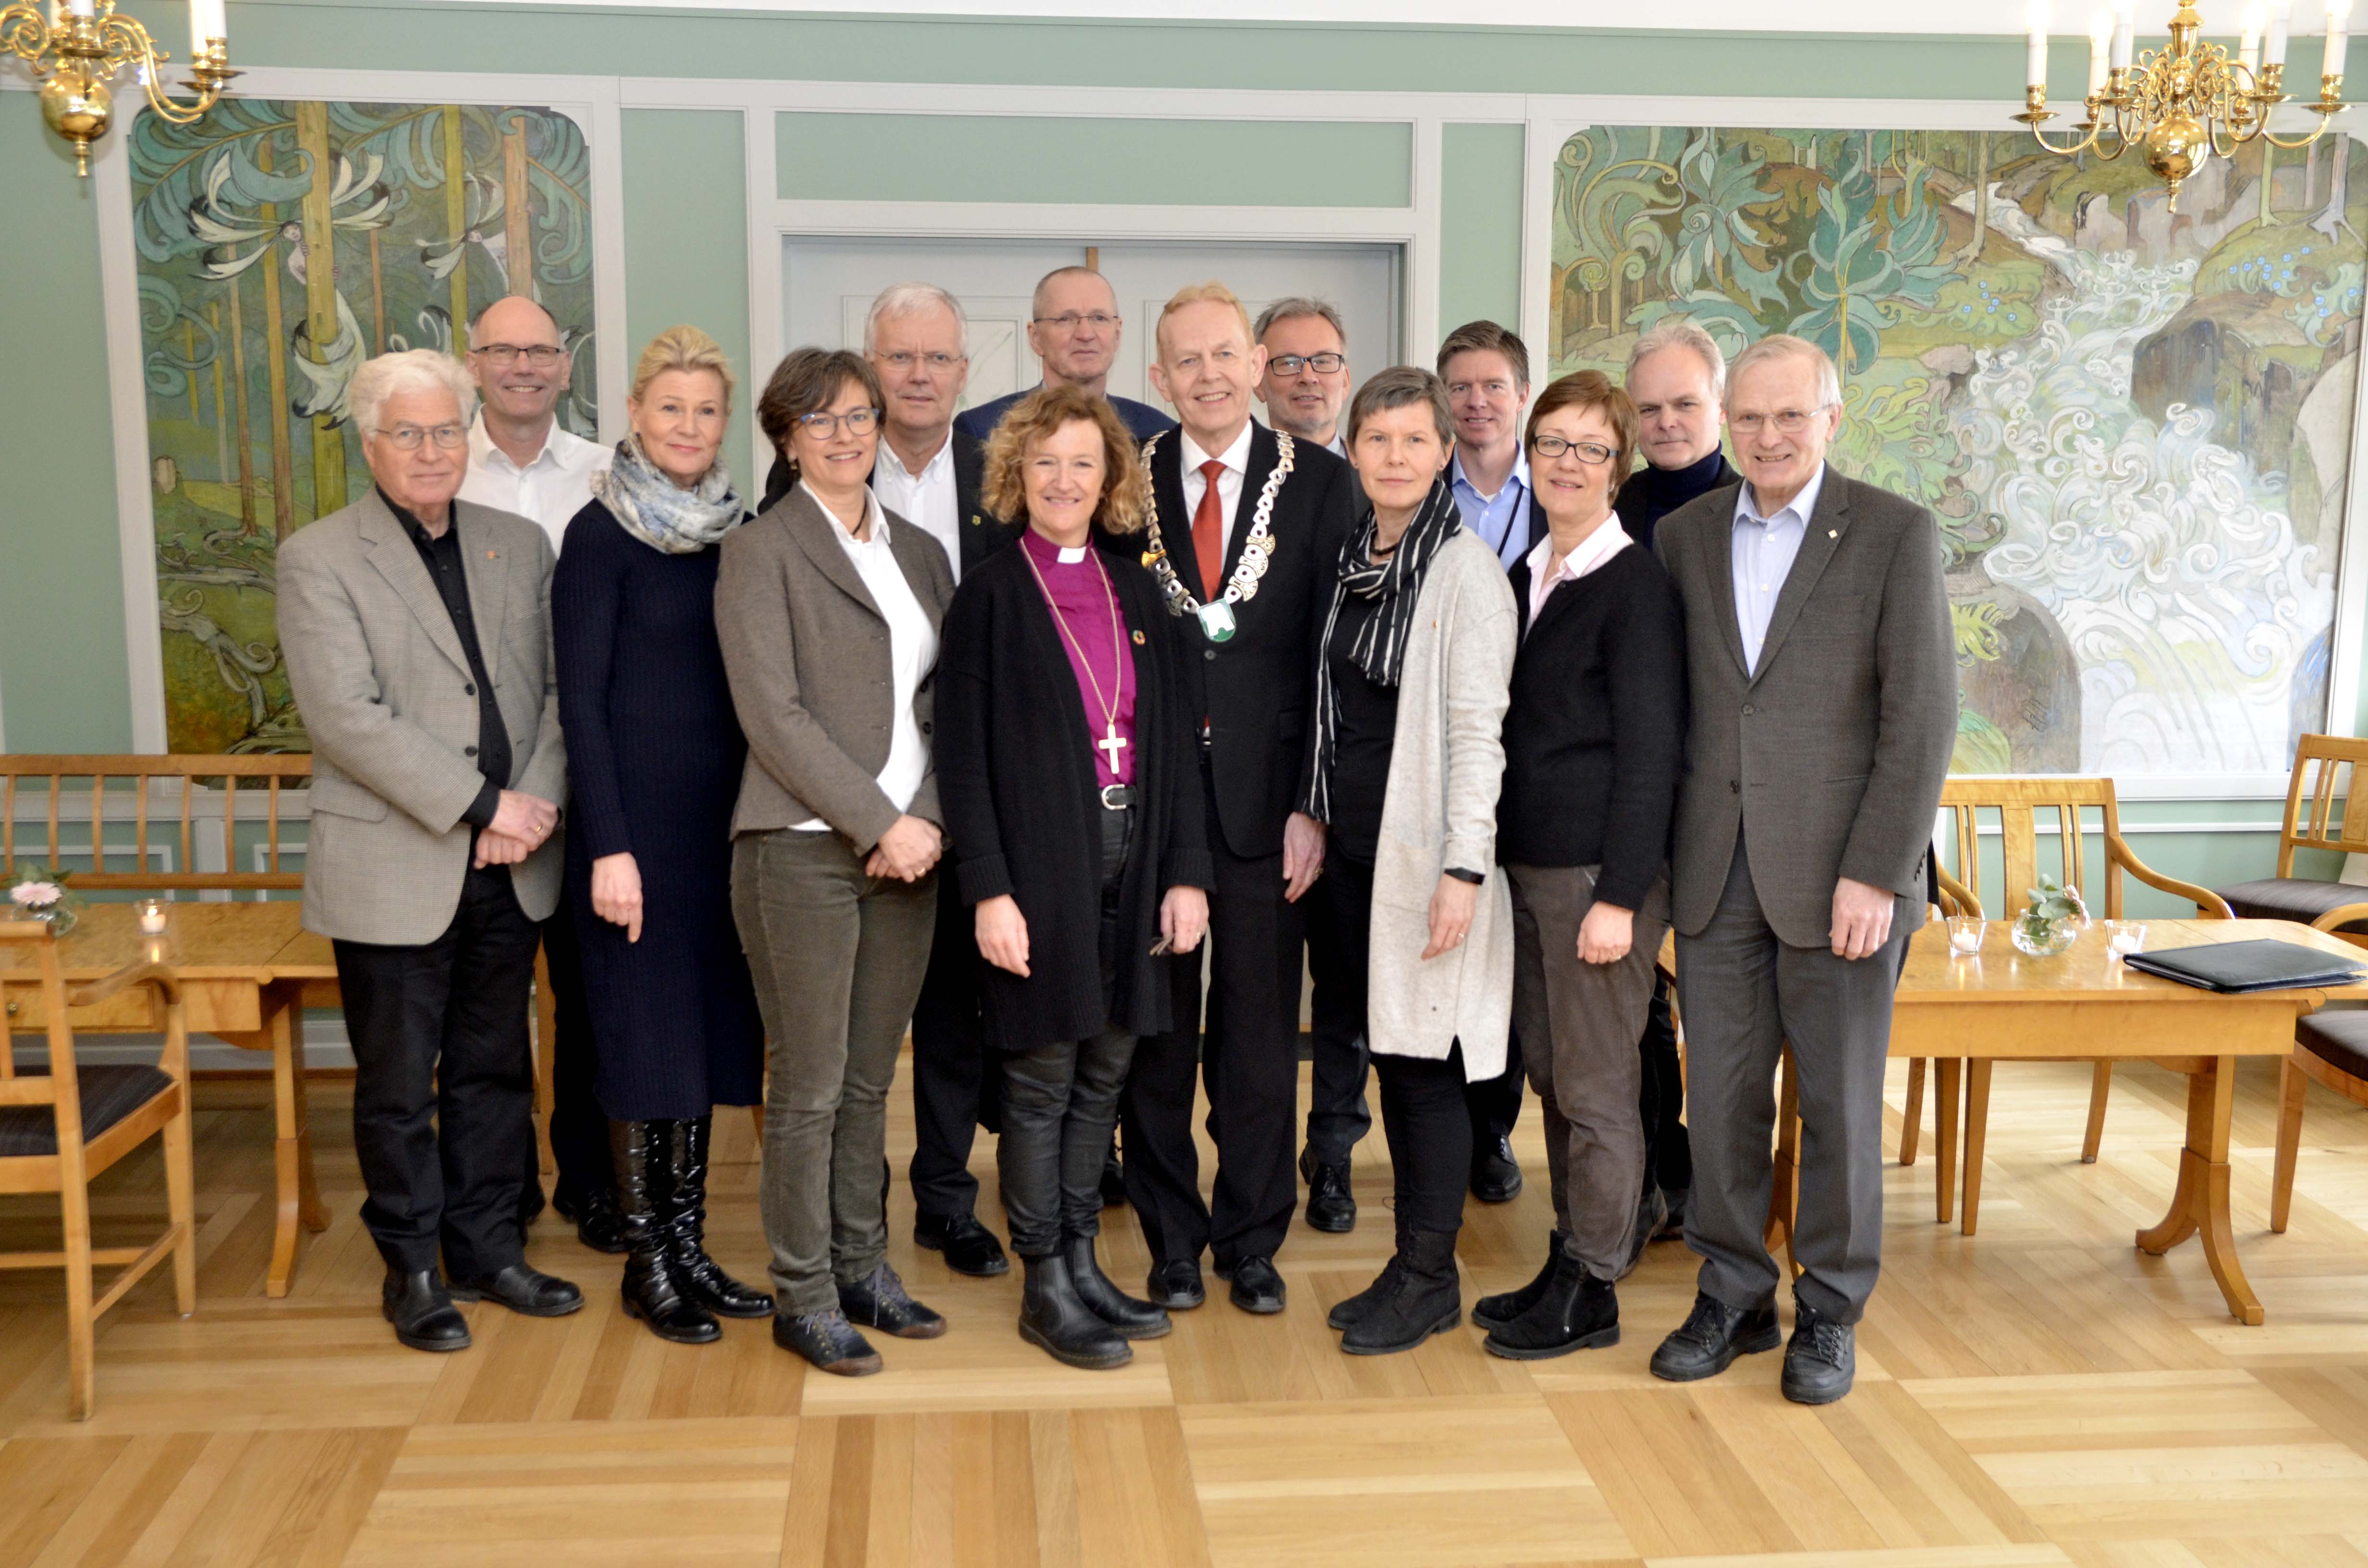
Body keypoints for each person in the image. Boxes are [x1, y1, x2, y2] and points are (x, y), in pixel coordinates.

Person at [1647, 334, 1954, 1405]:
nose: (1768, 437)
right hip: (1715, 873)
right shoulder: (1682, 537)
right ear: (1726, 424)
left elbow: (1921, 718)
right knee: (1721, 1104)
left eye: (1790, 417)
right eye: (1750, 418)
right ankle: (1733, 1292)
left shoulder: (1891, 533)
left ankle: (1829, 1309)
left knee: (1835, 1107)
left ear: (1831, 420)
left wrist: (1879, 869)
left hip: (1843, 887)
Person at [276, 348, 581, 1353]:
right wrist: (485, 804)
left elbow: (553, 693)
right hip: (397, 867)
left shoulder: (519, 544)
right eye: (406, 433)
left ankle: (488, 1250)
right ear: (370, 445)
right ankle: (411, 1267)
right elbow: (346, 720)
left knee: (496, 1069)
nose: (430, 450)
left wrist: (530, 802)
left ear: (470, 435)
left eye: (446, 429)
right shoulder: (319, 557)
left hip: (512, 861)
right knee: (399, 1085)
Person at [937, 385, 1212, 1369]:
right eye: (1046, 462)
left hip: (1134, 866)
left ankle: (1088, 1263)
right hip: (1038, 875)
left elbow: (1176, 744)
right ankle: (1044, 1280)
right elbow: (961, 758)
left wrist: (1186, 875)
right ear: (1017, 473)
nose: (1064, 480)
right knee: (1043, 1079)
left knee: (1106, 1072)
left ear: (1112, 480)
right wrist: (988, 890)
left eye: (1083, 464)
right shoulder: (991, 592)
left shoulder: (1138, 587)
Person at [1120, 281, 1358, 1317]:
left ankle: (1251, 1242)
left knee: (1260, 1042)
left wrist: (1314, 803)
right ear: (1156, 377)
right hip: (1154, 811)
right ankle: (1171, 1241)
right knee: (1158, 1042)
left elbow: (1335, 661)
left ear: (1257, 365)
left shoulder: (1325, 485)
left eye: (1227, 354)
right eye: (1188, 359)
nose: (1209, 375)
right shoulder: (1120, 486)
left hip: (1275, 815)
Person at [718, 347, 954, 1377]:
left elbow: (950, 707)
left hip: (914, 853)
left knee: (869, 1083)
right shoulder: (759, 553)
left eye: (859, 416)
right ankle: (802, 1293)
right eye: (821, 421)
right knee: (809, 1086)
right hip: (802, 850)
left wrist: (928, 820)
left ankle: (865, 1267)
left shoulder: (921, 551)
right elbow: (775, 718)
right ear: (785, 437)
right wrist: (877, 821)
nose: (846, 435)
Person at [554, 326, 772, 1346]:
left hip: (716, 839)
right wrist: (607, 847)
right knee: (643, 1050)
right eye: (670, 408)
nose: (689, 426)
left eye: (706, 411)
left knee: (694, 1051)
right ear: (636, 414)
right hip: (632, 843)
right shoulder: (599, 537)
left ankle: (689, 1249)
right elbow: (581, 708)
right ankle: (648, 1265)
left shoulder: (739, 532)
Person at [1302, 365, 1516, 1355]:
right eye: (1375, 440)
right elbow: (1327, 707)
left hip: (1426, 859)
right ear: (1353, 451)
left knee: (1424, 1066)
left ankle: (1430, 1275)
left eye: (1412, 441)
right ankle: (1408, 1263)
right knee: (1388, 1054)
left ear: (1444, 454)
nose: (1393, 458)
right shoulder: (1350, 555)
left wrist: (1463, 872)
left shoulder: (1463, 572)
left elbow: (1480, 735)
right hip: (1354, 852)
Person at [1470, 372, 1684, 1361]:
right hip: (1528, 870)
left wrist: (1620, 901)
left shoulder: (1636, 587)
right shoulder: (1526, 574)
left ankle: (1595, 1285)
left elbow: (1651, 759)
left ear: (1618, 467)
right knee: (1556, 1079)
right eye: (1549, 442)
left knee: (1597, 1090)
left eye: (1589, 448)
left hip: (1594, 880)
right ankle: (1569, 1256)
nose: (1564, 462)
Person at [456, 294, 617, 1253]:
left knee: (592, 999)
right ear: (473, 363)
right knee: (488, 1005)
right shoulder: (441, 473)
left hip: (585, 775)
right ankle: (500, 1188)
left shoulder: (607, 474)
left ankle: (592, 1183)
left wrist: (558, 785)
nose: (523, 365)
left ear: (566, 365)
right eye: (503, 350)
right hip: (475, 794)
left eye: (540, 350)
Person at [1611, 318, 1740, 1263]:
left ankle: (1730, 1204)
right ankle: (1664, 1173)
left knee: (1722, 1015)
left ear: (1721, 407)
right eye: (1647, 407)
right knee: (1634, 1009)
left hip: (1726, 805)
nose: (1664, 423)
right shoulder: (1618, 504)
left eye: (1683, 405)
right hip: (1631, 798)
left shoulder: (1753, 506)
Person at [1254, 297, 1360, 1231]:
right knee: (1266, 994)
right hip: (1275, 786)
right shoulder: (1249, 485)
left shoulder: (1383, 479)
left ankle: (1331, 1153)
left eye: (1320, 360)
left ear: (1345, 369)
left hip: (1359, 786)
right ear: (1259, 372)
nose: (1304, 376)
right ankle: (1262, 1163)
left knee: (1349, 986)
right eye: (1285, 361)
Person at [1436, 319, 1536, 1204]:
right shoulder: (1409, 490)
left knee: (1502, 959)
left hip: (1535, 760)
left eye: (1491, 385)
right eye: (1460, 386)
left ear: (1520, 394)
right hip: (1440, 761)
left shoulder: (1573, 492)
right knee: (1436, 944)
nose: (1475, 401)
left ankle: (1492, 1130)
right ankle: (1432, 1134)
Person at [954, 267, 1171, 443]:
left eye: (1099, 318)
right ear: (1036, 337)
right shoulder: (982, 432)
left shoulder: (1158, 434)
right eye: (1066, 319)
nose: (1086, 334)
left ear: (1118, 333)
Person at [1255, 298, 1351, 457]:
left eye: (1322, 361)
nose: (1308, 377)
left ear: (1345, 382)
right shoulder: (1235, 480)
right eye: (1289, 363)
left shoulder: (1378, 477)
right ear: (1259, 384)